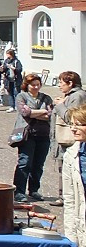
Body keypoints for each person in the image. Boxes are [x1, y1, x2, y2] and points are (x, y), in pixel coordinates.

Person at [11, 73, 54, 203]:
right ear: (27, 85)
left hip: (43, 134)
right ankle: (19, 191)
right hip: (27, 134)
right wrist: (42, 112)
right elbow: (25, 112)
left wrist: (34, 113)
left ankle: (34, 189)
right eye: (32, 85)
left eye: (37, 84)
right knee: (25, 162)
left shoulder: (46, 98)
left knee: (38, 164)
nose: (35, 87)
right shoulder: (21, 96)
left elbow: (51, 114)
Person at [52, 71, 86, 207]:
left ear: (70, 83)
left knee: (69, 168)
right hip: (66, 139)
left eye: (61, 82)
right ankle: (64, 196)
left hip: (70, 139)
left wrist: (60, 105)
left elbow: (71, 118)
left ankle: (66, 197)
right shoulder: (70, 95)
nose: (59, 86)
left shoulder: (77, 96)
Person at [58, 105, 86, 247]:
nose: (73, 129)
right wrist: (71, 237)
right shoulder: (71, 155)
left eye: (79, 125)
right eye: (72, 124)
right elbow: (69, 199)